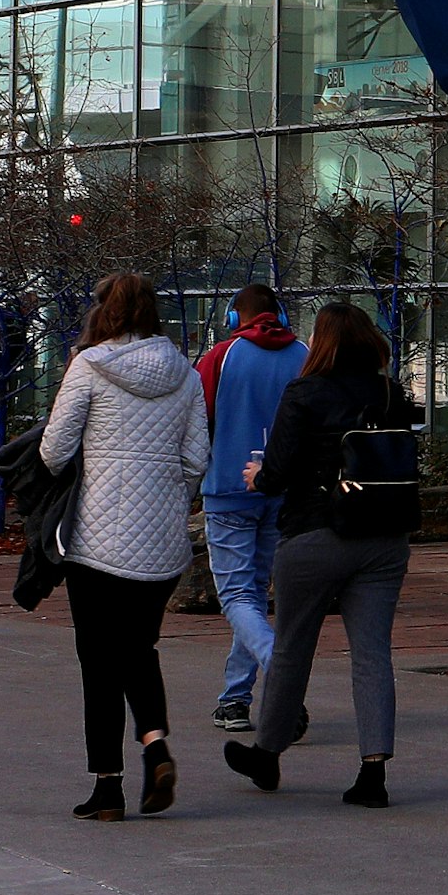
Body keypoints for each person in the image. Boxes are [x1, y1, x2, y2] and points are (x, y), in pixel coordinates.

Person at [229, 301, 421, 808]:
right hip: (385, 538)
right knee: (372, 653)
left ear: (323, 343)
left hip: (316, 533)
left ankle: (267, 754)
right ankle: (372, 773)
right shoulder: (390, 392)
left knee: (293, 647)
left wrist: (257, 478)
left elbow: (279, 470)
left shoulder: (305, 393)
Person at [37, 272, 209, 821]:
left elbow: (54, 449)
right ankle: (154, 743)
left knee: (98, 659)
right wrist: (166, 499)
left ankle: (107, 787)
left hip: (95, 539)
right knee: (139, 648)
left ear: (103, 313)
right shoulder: (184, 373)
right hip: (159, 543)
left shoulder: (88, 366)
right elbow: (195, 460)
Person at [191, 281, 311, 733]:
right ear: (279, 314)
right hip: (285, 492)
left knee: (238, 596)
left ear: (232, 316)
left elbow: (197, 421)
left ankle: (280, 675)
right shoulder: (303, 354)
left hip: (228, 487)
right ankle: (235, 697)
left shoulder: (221, 357)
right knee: (255, 595)